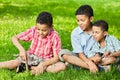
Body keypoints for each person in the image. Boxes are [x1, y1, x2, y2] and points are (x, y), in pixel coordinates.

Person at [0, 11, 66, 75]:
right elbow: (14, 38)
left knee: (62, 66)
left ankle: (29, 68)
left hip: (45, 61)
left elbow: (56, 58)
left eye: (44, 30)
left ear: (51, 27)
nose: (40, 32)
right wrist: (22, 50)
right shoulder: (33, 30)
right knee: (13, 63)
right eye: (38, 29)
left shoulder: (55, 36)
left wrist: (43, 64)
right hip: (31, 57)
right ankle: (33, 68)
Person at [59, 5, 101, 73]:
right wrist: (89, 63)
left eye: (82, 20)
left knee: (109, 58)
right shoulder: (75, 33)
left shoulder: (98, 30)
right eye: (78, 20)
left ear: (91, 19)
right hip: (79, 56)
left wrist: (96, 57)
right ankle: (96, 68)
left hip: (94, 56)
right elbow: (80, 53)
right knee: (63, 54)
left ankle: (78, 65)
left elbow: (100, 48)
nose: (80, 23)